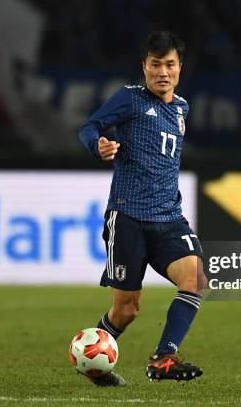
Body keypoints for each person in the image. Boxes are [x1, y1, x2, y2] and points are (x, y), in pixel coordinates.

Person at [78, 31, 206, 386]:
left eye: (169, 64)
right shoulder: (129, 100)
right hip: (129, 216)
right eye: (155, 64)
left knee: (195, 279)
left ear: (180, 68)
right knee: (127, 309)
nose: (162, 71)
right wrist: (98, 145)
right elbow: (89, 127)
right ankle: (91, 363)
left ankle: (164, 358)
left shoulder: (182, 108)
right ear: (144, 67)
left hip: (168, 217)